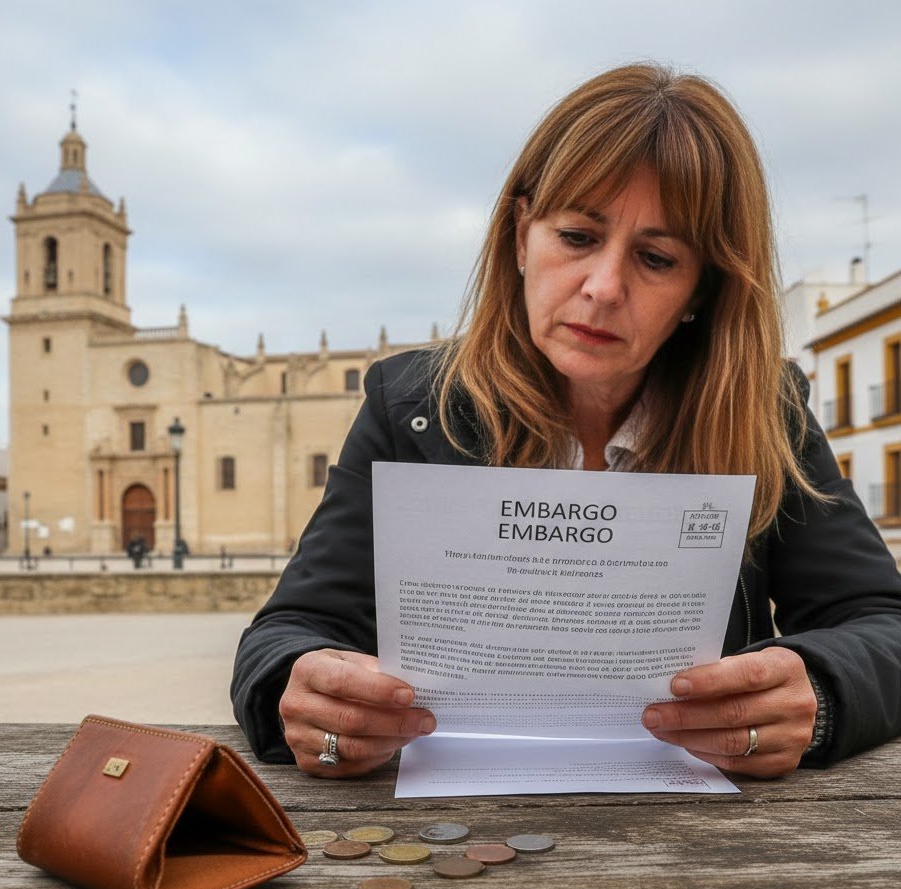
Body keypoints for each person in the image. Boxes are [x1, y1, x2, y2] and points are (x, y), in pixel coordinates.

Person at [232, 63, 901, 780]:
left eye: (655, 257)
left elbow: (882, 625)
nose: (604, 288)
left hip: (699, 848)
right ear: (522, 234)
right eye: (578, 236)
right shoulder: (410, 407)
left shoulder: (765, 414)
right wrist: (306, 697)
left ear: (700, 290)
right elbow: (287, 635)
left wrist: (820, 696)